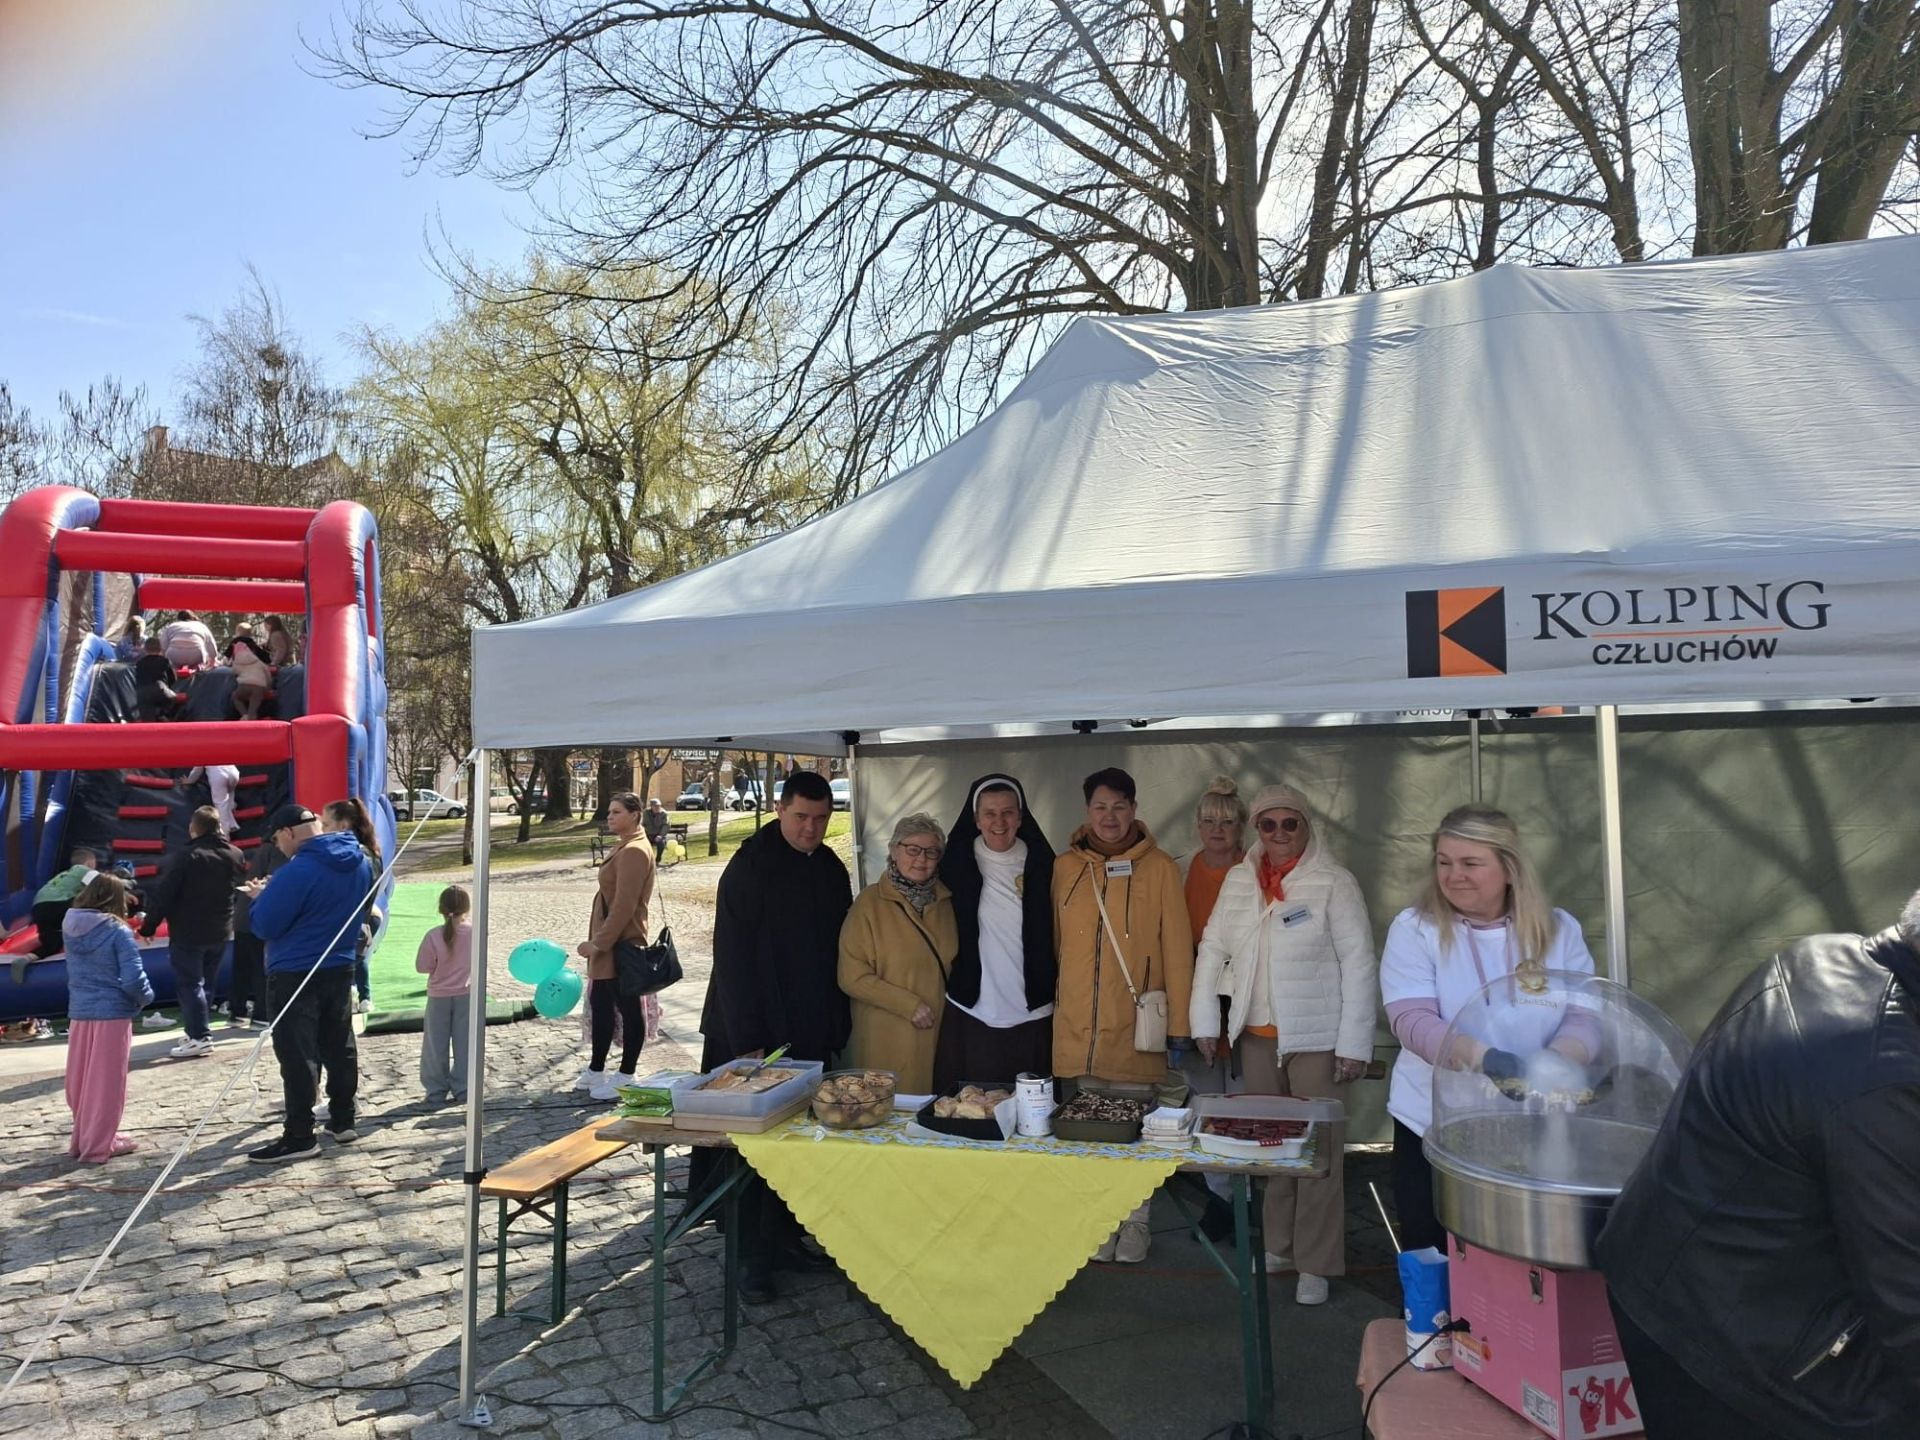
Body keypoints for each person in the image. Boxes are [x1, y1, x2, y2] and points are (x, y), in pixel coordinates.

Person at [1594, 892, 1920, 1440]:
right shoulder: (1878, 1080)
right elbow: (1909, 1299)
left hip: (1677, 1263)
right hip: (1725, 1332)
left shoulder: (1823, 954)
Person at [1378, 805, 1597, 1252]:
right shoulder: (1415, 929)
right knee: (1434, 1252)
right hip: (1433, 1126)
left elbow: (1586, 1016)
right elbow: (1412, 1020)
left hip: (1533, 1125)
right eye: (1444, 862)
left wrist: (1554, 1063)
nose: (1454, 875)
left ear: (1510, 868)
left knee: (1521, 1254)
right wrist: (1484, 1059)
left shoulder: (1558, 929)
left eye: (1470, 863)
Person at [1188, 783, 1375, 1305]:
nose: (1278, 833)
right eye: (1268, 824)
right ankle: (1279, 1246)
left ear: (1307, 825)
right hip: (1256, 1036)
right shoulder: (1239, 880)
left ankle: (1316, 1263)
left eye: (1289, 823)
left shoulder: (1334, 882)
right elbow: (1212, 949)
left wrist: (1354, 1043)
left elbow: (1360, 963)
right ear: (1256, 829)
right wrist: (1205, 1022)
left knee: (1318, 1155)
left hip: (1318, 1038)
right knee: (1269, 1148)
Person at [697, 770, 851, 1303]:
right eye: (802, 816)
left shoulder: (829, 867)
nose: (811, 828)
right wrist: (749, 1043)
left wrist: (835, 1025)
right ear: (780, 809)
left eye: (821, 819)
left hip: (807, 1029)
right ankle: (750, 1260)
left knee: (797, 1146)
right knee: (752, 1152)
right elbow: (732, 958)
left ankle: (786, 1240)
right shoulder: (749, 868)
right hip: (752, 1033)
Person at [1054, 766, 1195, 1264]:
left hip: (1136, 1024)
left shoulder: (1160, 868)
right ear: (1086, 811)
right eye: (1100, 807)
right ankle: (1100, 1219)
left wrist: (1180, 1027)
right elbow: (1055, 947)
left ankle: (1136, 1220)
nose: (1109, 817)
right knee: (1088, 1129)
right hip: (1080, 1025)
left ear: (1135, 809)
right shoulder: (1065, 868)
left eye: (1119, 806)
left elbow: (1177, 950)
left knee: (1134, 1129)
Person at [245, 804, 374, 1162]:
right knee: (339, 1042)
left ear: (288, 833)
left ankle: (300, 1134)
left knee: (297, 1052)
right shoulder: (360, 860)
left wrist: (261, 899)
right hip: (340, 962)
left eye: (277, 839)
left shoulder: (296, 870)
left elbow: (265, 925)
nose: (278, 847)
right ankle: (343, 1118)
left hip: (296, 969)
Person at [932, 774, 1055, 1092]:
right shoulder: (953, 864)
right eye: (989, 813)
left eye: (1008, 812)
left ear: (1020, 817)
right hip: (973, 1006)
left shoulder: (1046, 864)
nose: (999, 822)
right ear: (976, 819)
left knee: (1033, 1105)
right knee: (972, 1104)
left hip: (1033, 1008)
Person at [839, 813, 956, 1093]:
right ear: (893, 850)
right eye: (912, 849)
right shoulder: (869, 904)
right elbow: (851, 977)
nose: (921, 859)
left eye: (931, 852)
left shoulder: (947, 903)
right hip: (888, 1037)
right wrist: (908, 1005)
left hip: (939, 1036)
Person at [138, 805, 246, 1060]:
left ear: (193, 828)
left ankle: (199, 1036)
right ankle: (197, 1030)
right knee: (205, 984)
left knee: (190, 984)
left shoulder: (186, 856)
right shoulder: (235, 854)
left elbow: (165, 894)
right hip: (220, 929)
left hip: (188, 931)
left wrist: (149, 926)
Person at [61, 873, 152, 1163]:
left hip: (80, 1010)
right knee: (106, 1082)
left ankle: (85, 1139)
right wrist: (146, 997)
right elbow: (133, 978)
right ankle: (99, 1145)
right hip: (112, 1012)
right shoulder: (117, 930)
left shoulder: (70, 925)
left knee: (81, 1080)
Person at [574, 791, 654, 1101]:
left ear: (635, 814)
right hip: (612, 941)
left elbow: (624, 906)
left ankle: (627, 1073)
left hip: (622, 942)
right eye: (609, 812)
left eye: (616, 812)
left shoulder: (634, 850)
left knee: (628, 1007)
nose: (609, 817)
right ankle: (597, 1068)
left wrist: (598, 943)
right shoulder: (624, 845)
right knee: (602, 1003)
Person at [323, 798, 382, 1012]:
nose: (322, 830)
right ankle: (359, 995)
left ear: (343, 825)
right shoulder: (368, 852)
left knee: (351, 963)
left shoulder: (355, 856)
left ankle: (359, 996)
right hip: (363, 920)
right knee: (356, 960)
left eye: (326, 825)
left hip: (354, 922)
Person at [416, 885, 474, 1105]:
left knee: (434, 1045)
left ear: (441, 909)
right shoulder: (474, 933)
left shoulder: (433, 936)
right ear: (467, 908)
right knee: (466, 1043)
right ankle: (464, 1087)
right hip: (466, 994)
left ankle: (435, 1090)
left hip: (438, 996)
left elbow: (422, 966)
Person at [228, 830, 288, 1027]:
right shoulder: (277, 853)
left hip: (243, 916)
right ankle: (261, 1015)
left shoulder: (263, 851)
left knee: (242, 967)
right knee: (261, 969)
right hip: (256, 917)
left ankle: (237, 1011)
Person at [31, 848, 96, 957]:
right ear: (89, 863)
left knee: (52, 944)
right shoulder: (85, 870)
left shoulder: (65, 875)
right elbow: (102, 885)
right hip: (57, 904)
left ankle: (27, 958)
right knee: (89, 901)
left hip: (37, 907)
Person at [225, 629, 274, 720]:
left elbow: (234, 671)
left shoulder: (237, 664)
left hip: (243, 686)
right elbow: (267, 673)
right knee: (254, 705)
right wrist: (268, 687)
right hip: (259, 687)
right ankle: (252, 716)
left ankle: (244, 715)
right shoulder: (258, 662)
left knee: (235, 697)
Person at [184, 763, 240, 836]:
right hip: (233, 772)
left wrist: (189, 780)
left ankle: (225, 835)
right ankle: (232, 821)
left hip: (219, 775)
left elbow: (197, 770)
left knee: (220, 806)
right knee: (228, 791)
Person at [132, 638, 180, 723]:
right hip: (160, 690)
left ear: (145, 649)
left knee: (147, 717)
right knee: (173, 699)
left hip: (143, 693)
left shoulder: (140, 663)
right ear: (160, 648)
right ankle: (164, 715)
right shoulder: (165, 661)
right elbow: (172, 679)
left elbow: (137, 679)